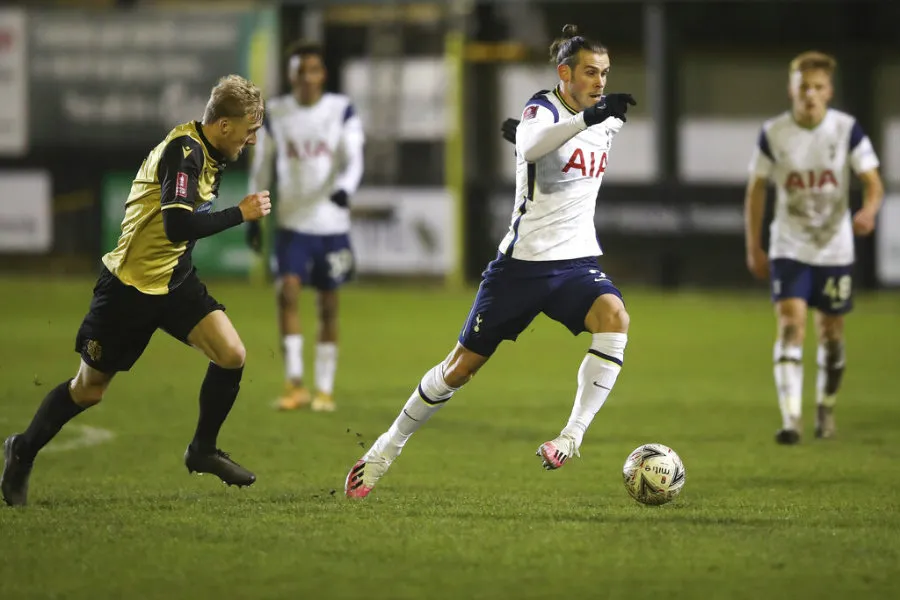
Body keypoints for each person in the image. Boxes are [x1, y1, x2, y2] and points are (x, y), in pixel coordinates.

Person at [345, 24, 636, 498]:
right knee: (459, 368)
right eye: (589, 73)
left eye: (604, 73)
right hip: (520, 266)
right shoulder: (544, 106)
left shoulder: (608, 118)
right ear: (564, 73)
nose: (600, 83)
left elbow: (549, 154)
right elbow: (532, 145)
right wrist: (532, 136)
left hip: (576, 261)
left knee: (615, 317)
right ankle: (385, 448)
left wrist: (558, 132)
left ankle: (572, 436)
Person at [1, 75, 271, 507]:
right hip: (128, 290)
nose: (252, 139)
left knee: (232, 354)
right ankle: (23, 449)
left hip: (174, 279)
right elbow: (177, 225)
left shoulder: (210, 151)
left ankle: (202, 449)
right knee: (88, 389)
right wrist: (240, 214)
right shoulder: (184, 154)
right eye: (249, 129)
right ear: (223, 125)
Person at [744, 51, 884, 444]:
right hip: (790, 245)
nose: (810, 94)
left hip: (835, 248)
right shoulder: (774, 133)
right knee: (790, 324)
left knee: (832, 334)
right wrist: (754, 246)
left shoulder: (846, 130)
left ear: (829, 91)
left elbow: (872, 180)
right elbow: (756, 190)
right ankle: (791, 419)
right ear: (791, 90)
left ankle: (826, 405)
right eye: (803, 86)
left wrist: (870, 211)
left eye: (818, 87)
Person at [248, 41, 365, 414]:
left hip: (331, 225)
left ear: (322, 74)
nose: (307, 78)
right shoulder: (276, 113)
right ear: (290, 75)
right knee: (287, 293)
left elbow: (354, 156)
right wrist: (254, 209)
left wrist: (345, 190)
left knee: (329, 304)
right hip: (292, 223)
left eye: (313, 70)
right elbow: (262, 164)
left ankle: (325, 389)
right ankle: (295, 383)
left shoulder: (340, 109)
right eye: (300, 71)